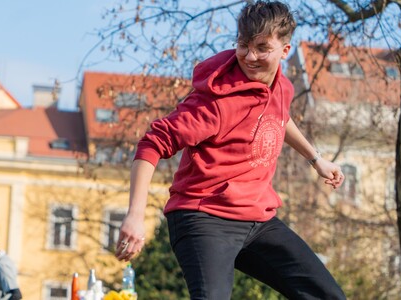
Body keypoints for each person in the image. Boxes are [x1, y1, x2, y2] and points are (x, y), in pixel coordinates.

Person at [114, 1, 347, 299]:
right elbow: (153, 142)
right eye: (243, 45)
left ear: (284, 51)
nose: (250, 57)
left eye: (262, 48)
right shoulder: (215, 102)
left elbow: (279, 117)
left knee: (328, 296)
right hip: (204, 217)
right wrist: (135, 215)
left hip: (256, 219)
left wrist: (316, 159)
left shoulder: (282, 87)